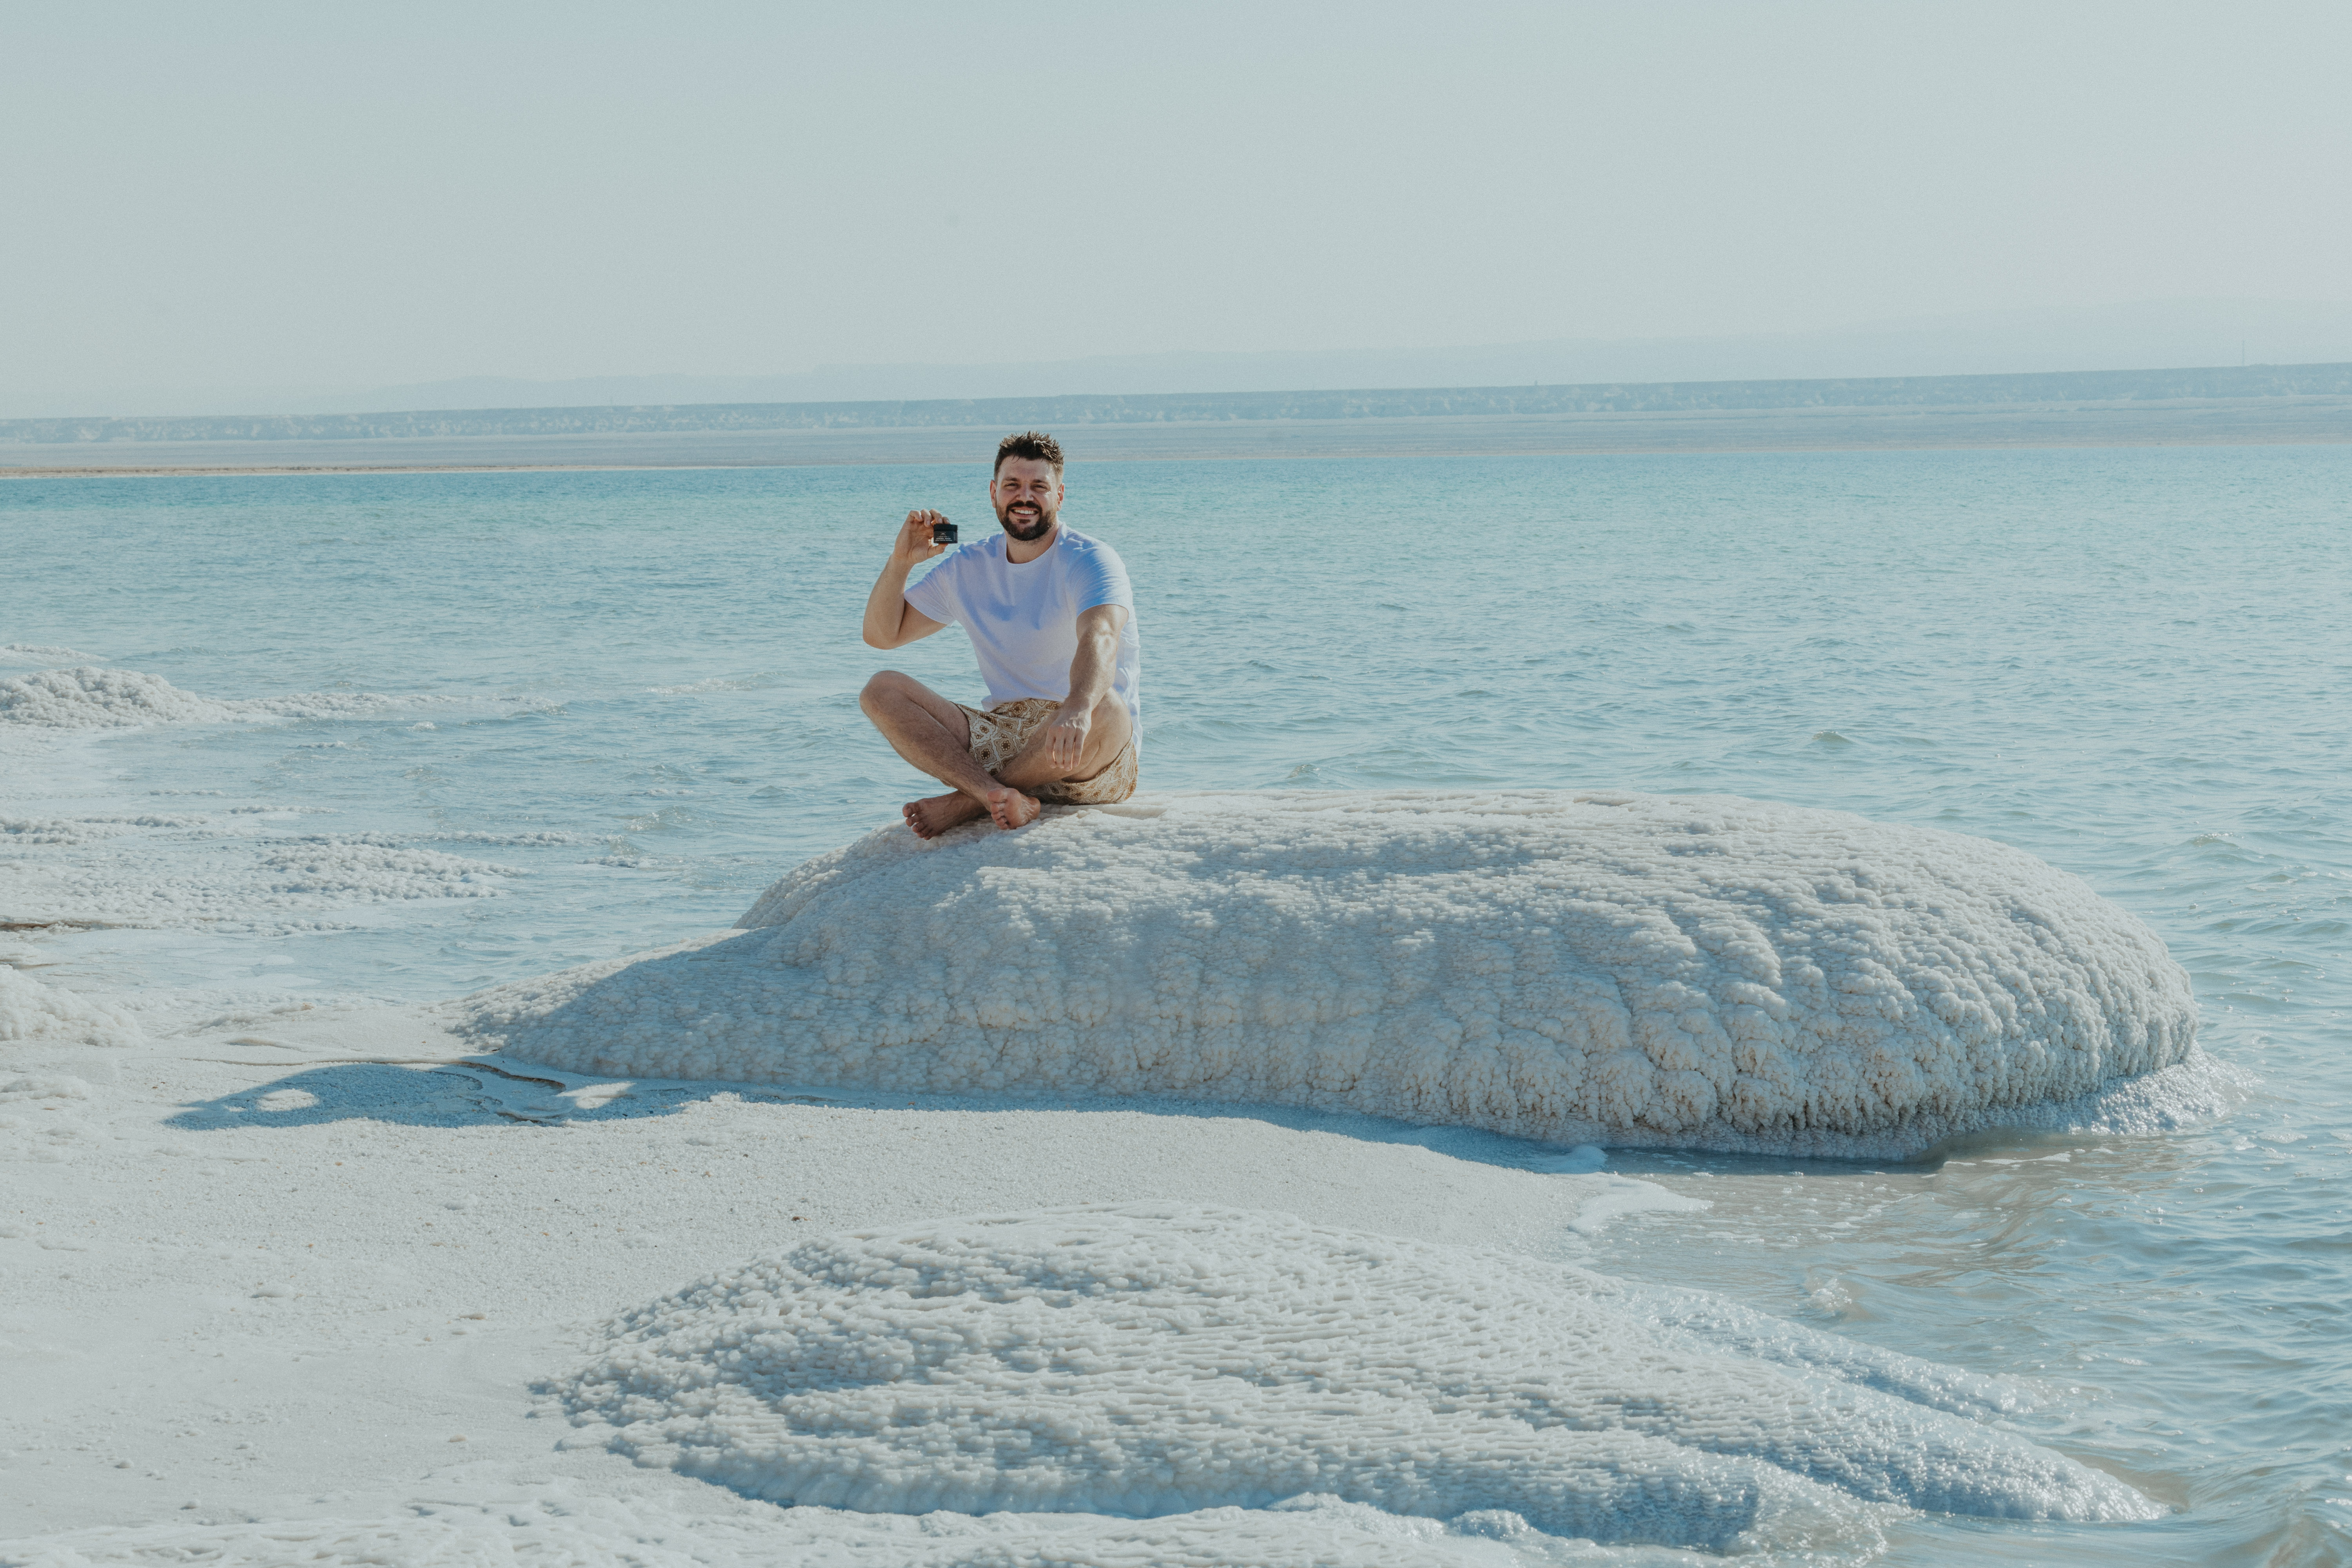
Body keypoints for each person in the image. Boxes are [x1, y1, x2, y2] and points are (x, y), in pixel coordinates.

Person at [859, 430, 1141, 838]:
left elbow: (1100, 635)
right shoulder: (970, 565)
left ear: (1059, 496)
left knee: (1109, 708)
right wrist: (901, 562)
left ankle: (966, 803)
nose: (1024, 497)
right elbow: (882, 636)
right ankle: (994, 793)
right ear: (993, 493)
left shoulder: (1091, 559)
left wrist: (1077, 708)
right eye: (1012, 485)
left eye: (1038, 487)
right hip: (1003, 735)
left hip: (1085, 750)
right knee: (880, 689)